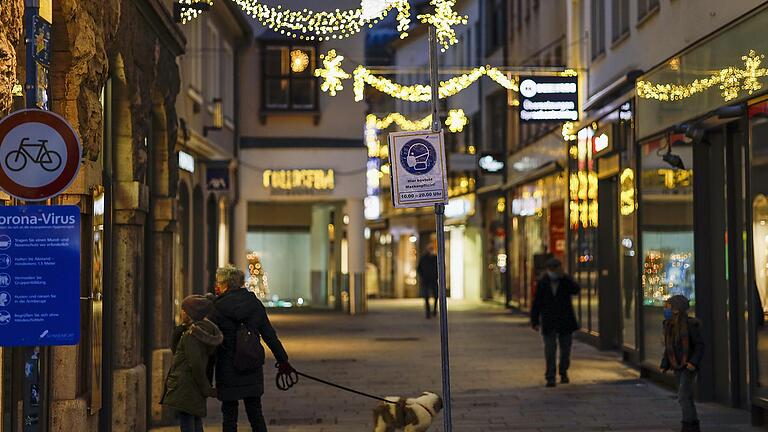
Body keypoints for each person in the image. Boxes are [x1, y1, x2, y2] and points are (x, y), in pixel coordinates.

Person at [210, 265, 294, 432]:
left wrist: (206, 377)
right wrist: (283, 361)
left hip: (227, 367)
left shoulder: (216, 308)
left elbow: (211, 346)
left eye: (219, 282)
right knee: (255, 414)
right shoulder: (254, 304)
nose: (216, 286)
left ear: (226, 284)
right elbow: (269, 335)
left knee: (229, 417)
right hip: (251, 364)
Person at [161, 295, 224, 432]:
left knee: (188, 422)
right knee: (195, 419)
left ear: (190, 313)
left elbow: (195, 363)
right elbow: (177, 348)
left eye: (184, 310)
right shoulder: (198, 330)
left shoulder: (192, 335)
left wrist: (205, 387)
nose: (181, 312)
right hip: (192, 384)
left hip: (187, 383)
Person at [530, 257, 580, 387]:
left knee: (565, 350)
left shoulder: (565, 281)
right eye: (552, 269)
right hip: (549, 321)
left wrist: (565, 277)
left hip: (565, 321)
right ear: (548, 270)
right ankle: (550, 377)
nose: (554, 272)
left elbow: (576, 290)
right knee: (550, 350)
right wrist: (534, 321)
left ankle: (563, 372)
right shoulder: (543, 282)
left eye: (556, 269)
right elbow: (537, 303)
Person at [660, 295, 705, 432]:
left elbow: (699, 346)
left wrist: (693, 362)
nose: (665, 310)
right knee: (686, 396)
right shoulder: (668, 325)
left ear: (676, 310)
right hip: (677, 366)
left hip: (688, 366)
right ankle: (693, 425)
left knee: (682, 396)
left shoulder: (691, 325)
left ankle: (688, 426)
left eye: (668, 307)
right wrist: (665, 364)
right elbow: (669, 348)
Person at [417, 244, 439, 319]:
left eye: (431, 249)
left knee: (436, 295)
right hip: (426, 280)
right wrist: (423, 276)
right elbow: (419, 268)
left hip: (433, 280)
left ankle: (435, 310)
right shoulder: (423, 258)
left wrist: (436, 276)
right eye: (430, 249)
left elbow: (440, 267)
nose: (431, 250)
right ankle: (428, 312)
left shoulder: (435, 258)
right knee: (426, 296)